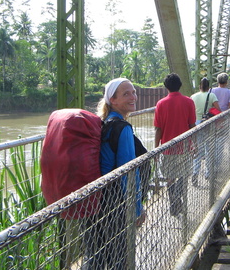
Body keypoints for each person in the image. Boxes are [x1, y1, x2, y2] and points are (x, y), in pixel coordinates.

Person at [86, 77, 144, 270]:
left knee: (95, 256)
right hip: (115, 201)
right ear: (113, 100)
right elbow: (128, 172)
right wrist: (136, 208)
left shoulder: (103, 123)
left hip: (94, 199)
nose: (133, 96)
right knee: (119, 256)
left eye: (134, 92)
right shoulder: (122, 128)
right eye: (126, 93)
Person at [154, 73, 196, 216]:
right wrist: (194, 144)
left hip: (167, 148)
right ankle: (179, 199)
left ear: (166, 87)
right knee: (183, 175)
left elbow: (158, 129)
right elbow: (192, 126)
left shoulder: (161, 104)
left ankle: (174, 202)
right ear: (180, 85)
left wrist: (156, 149)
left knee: (170, 177)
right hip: (184, 146)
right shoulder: (189, 102)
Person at [190, 77, 221, 185]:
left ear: (199, 86)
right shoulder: (212, 95)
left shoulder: (193, 97)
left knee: (198, 150)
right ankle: (208, 174)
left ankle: (195, 173)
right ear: (208, 87)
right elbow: (219, 110)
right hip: (208, 125)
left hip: (196, 125)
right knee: (209, 149)